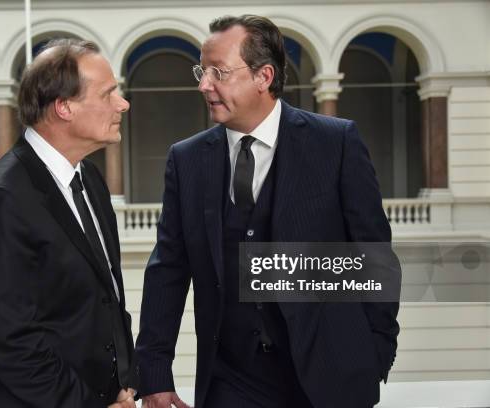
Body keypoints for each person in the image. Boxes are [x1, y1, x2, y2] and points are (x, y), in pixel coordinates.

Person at [135, 15, 401, 408]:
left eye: (218, 72)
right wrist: (154, 375)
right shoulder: (187, 159)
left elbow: (374, 257)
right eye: (201, 71)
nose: (204, 84)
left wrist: (376, 354)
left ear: (264, 76)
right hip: (231, 378)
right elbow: (168, 269)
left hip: (332, 376)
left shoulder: (336, 142)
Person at [0, 38, 138, 408]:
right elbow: (14, 346)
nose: (123, 104)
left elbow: (108, 301)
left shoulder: (91, 181)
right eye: (108, 95)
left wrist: (125, 385)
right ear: (64, 107)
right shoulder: (0, 200)